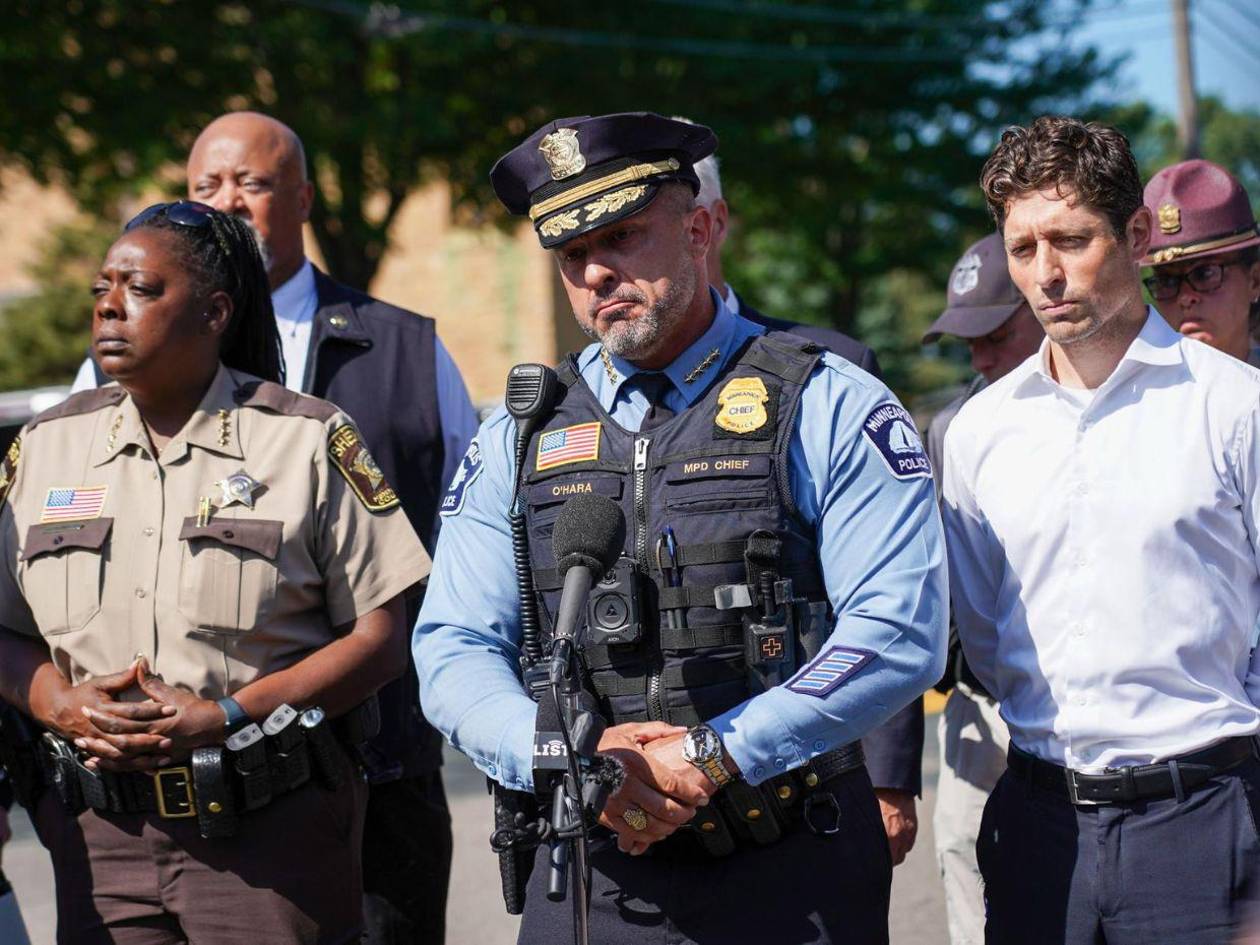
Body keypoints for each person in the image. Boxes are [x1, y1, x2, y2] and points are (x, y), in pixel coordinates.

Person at [414, 112, 947, 944]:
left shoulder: (826, 400)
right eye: (571, 254)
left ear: (700, 228)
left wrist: (711, 752)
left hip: (793, 866)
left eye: (621, 236)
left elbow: (898, 631)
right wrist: (567, 753)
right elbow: (453, 643)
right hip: (593, 870)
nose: (596, 271)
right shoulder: (518, 433)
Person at [69, 111, 477, 943]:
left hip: (382, 757)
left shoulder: (407, 349)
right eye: (206, 186)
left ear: (303, 199)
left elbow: (470, 544)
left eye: (251, 184)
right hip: (171, 787)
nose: (228, 203)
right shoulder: (115, 365)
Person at [0, 201, 429, 943]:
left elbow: (382, 637)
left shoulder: (303, 439)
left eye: (140, 288)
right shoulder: (46, 447)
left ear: (214, 311)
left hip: (267, 837)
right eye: (102, 287)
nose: (109, 305)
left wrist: (228, 714)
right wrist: (60, 704)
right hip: (101, 842)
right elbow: (4, 631)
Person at [943, 116, 1260, 943]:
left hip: (1203, 822)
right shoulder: (978, 432)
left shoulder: (1236, 407)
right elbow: (984, 633)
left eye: (1072, 240)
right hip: (1037, 823)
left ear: (1137, 235)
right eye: (1022, 248)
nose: (1045, 273)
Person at [690, 138, 924, 865]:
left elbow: (884, 589)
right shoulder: (586, 403)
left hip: (813, 771)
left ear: (712, 223)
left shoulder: (829, 371)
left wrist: (889, 776)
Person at [919, 231, 1041, 945]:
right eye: (968, 343)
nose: (981, 360)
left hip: (1074, 705)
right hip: (977, 704)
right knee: (966, 863)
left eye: (995, 336)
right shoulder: (951, 428)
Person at [1141, 158, 1260, 367]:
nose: (1185, 298)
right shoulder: (1138, 385)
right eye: (1166, 281)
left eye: (1204, 274)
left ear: (1255, 281)